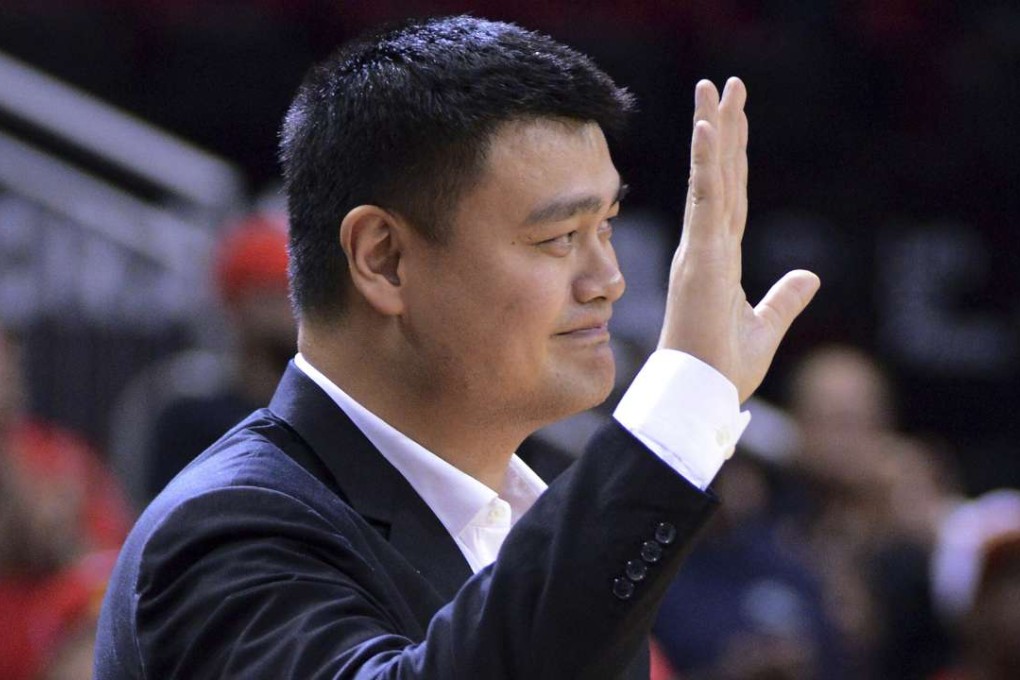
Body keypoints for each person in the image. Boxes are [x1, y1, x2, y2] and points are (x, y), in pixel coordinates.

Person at [94, 16, 818, 678]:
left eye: (607, 227)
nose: (610, 281)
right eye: (559, 238)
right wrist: (682, 404)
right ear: (384, 260)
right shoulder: (222, 534)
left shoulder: (544, 538)